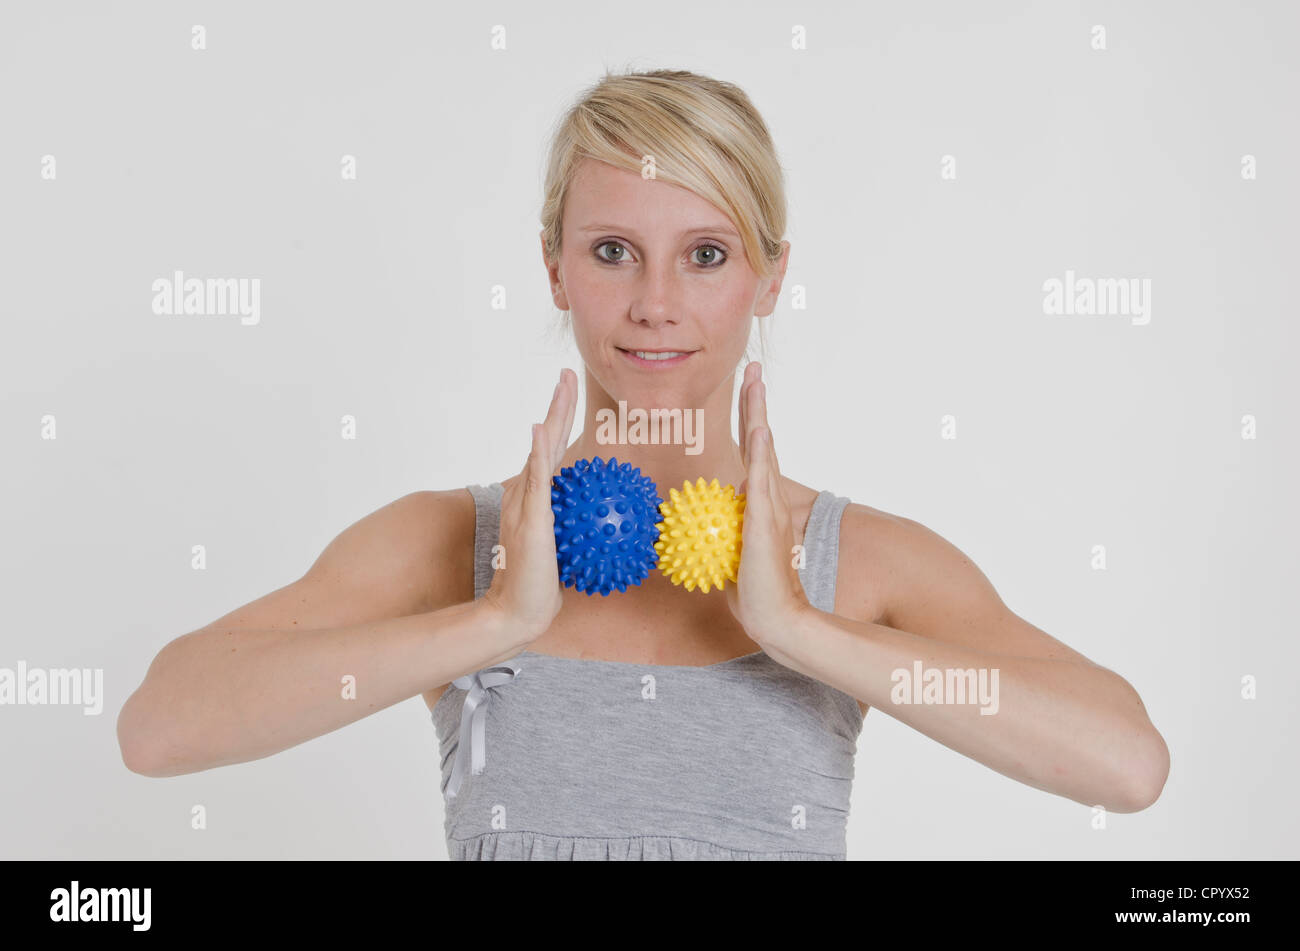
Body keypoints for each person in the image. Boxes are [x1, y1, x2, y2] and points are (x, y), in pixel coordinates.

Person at [117, 68, 1169, 860]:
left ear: (769, 277)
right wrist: (491, 624)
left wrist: (799, 629)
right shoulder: (460, 546)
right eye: (612, 250)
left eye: (705, 255)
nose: (655, 301)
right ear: (554, 268)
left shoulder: (858, 562)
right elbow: (161, 727)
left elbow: (1124, 764)